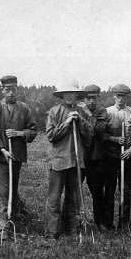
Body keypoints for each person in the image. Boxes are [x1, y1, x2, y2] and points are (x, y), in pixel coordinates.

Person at [0, 75, 37, 240]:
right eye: (7, 89)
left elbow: (33, 131)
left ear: (17, 89)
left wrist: (19, 133)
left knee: (12, 191)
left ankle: (11, 222)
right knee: (2, 191)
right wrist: (2, 150)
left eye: (13, 89)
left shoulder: (24, 109)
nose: (10, 93)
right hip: (1, 158)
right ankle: (2, 230)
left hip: (17, 157)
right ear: (2, 90)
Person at [45, 82, 94, 239]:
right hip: (58, 161)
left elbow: (89, 136)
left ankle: (71, 230)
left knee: (72, 198)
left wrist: (80, 121)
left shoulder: (81, 112)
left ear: (76, 96)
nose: (69, 96)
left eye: (72, 94)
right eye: (66, 93)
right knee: (54, 198)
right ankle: (51, 233)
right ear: (62, 95)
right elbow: (51, 135)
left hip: (76, 162)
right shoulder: (54, 111)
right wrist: (66, 123)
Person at [104, 84, 131, 229]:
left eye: (124, 96)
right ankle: (108, 223)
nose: (121, 99)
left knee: (126, 190)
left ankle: (124, 222)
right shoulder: (107, 112)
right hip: (110, 158)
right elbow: (102, 135)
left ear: (127, 97)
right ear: (114, 96)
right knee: (109, 190)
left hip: (127, 158)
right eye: (118, 96)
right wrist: (114, 139)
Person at [78, 84, 109, 232]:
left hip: (96, 158)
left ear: (98, 98)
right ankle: (71, 221)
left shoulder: (102, 112)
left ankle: (100, 222)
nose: (91, 101)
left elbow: (97, 130)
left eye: (94, 98)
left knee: (97, 191)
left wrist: (86, 114)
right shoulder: (77, 111)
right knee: (74, 189)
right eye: (88, 98)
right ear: (83, 98)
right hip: (79, 156)